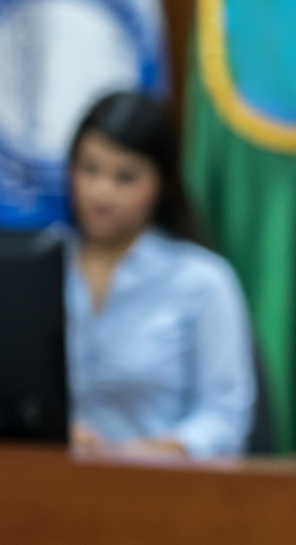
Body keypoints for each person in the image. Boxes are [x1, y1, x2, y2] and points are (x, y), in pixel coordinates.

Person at [63, 91, 257, 457]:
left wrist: (150, 452)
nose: (101, 191)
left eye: (125, 177)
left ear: (162, 183)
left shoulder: (203, 281)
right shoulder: (42, 267)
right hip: (50, 484)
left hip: (167, 490)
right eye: (89, 169)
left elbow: (225, 420)